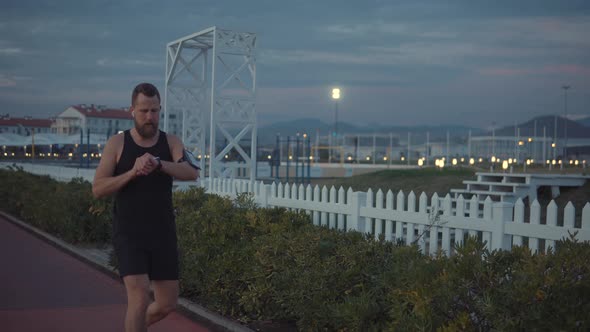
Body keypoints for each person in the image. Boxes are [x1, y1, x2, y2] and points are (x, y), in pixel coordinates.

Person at [92, 83, 199, 332]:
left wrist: (159, 163)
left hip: (162, 232)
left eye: (154, 110)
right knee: (139, 297)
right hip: (129, 233)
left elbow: (191, 173)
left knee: (166, 304)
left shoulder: (171, 142)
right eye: (143, 111)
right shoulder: (117, 144)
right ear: (132, 110)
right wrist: (132, 172)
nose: (149, 117)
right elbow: (98, 189)